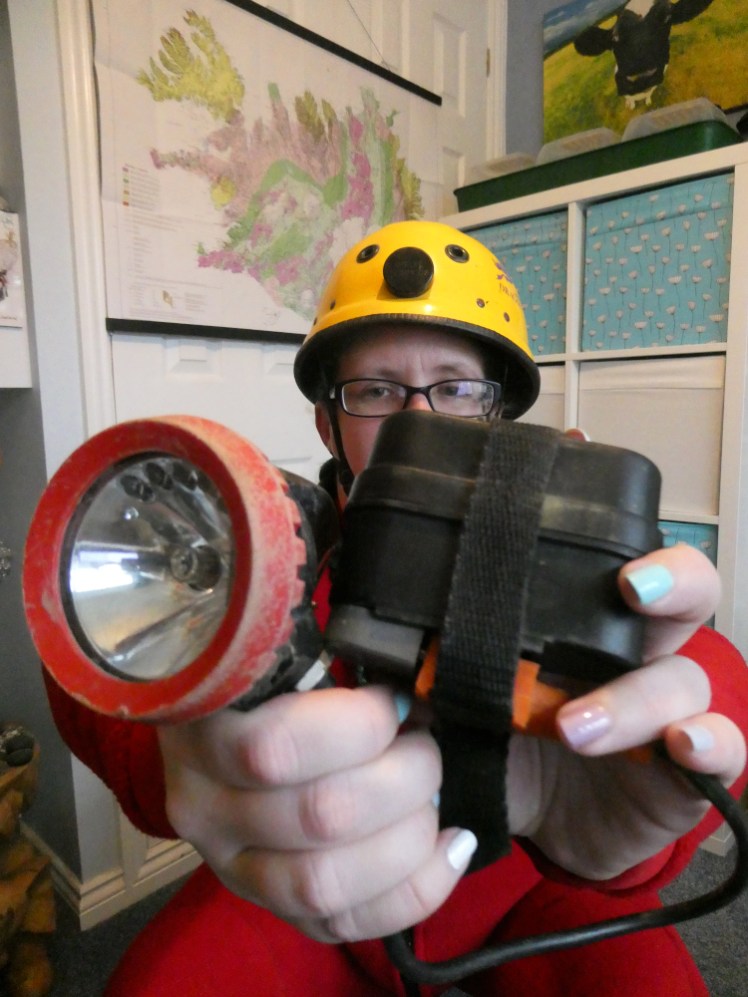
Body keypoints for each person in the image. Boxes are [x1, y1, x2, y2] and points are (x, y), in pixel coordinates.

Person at [44, 221, 747, 996]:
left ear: (498, 412)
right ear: (327, 421)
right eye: (376, 390)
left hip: (523, 876)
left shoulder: (557, 535)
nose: (421, 420)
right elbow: (92, 658)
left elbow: (710, 679)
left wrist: (636, 789)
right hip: (301, 869)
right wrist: (188, 733)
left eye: (456, 387)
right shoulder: (259, 538)